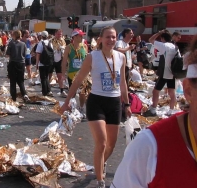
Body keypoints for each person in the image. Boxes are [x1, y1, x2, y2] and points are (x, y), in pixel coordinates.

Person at [110, 35, 197, 187]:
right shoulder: (150, 147)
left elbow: (151, 42)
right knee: (160, 92)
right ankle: (157, 107)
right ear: (188, 91)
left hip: (166, 74)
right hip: (165, 75)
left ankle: (158, 107)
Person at [60, 26, 131, 188]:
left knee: (111, 145)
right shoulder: (93, 57)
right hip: (96, 102)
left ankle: (101, 163)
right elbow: (78, 80)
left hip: (114, 103)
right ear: (100, 39)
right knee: (102, 143)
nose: (111, 40)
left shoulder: (121, 57)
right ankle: (100, 181)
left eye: (113, 37)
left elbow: (123, 83)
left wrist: (126, 104)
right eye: (107, 37)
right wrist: (66, 102)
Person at [144, 30, 178, 116]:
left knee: (156, 91)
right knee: (172, 92)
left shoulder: (164, 45)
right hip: (173, 73)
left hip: (165, 72)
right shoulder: (175, 47)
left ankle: (153, 110)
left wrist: (159, 33)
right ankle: (171, 111)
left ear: (162, 38)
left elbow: (151, 39)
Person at [62, 29, 88, 107]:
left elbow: (87, 60)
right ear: (75, 37)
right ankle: (72, 109)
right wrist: (63, 75)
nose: (82, 37)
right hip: (72, 74)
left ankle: (81, 108)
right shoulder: (68, 48)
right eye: (80, 36)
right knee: (72, 93)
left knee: (82, 93)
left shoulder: (84, 46)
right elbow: (64, 62)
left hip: (83, 74)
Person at [6, 30, 30, 102]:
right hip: (21, 63)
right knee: (21, 81)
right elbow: (25, 54)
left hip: (13, 63)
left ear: (14, 35)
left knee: (13, 81)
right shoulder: (23, 44)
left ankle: (13, 98)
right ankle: (24, 94)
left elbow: (7, 54)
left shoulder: (11, 43)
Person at [35, 31, 53, 96]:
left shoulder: (40, 43)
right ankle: (49, 90)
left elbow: (38, 54)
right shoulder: (50, 43)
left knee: (43, 78)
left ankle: (45, 91)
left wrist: (37, 64)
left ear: (41, 36)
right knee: (46, 77)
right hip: (49, 63)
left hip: (42, 63)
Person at [49, 29, 66, 95]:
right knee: (49, 74)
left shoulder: (62, 40)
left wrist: (62, 49)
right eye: (58, 34)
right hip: (52, 59)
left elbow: (64, 49)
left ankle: (62, 90)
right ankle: (48, 88)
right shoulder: (51, 40)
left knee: (60, 75)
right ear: (55, 34)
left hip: (59, 60)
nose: (60, 35)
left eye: (61, 34)